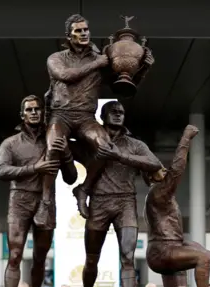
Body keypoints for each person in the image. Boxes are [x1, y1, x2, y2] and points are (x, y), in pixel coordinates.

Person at [36, 13, 153, 228]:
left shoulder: (100, 58)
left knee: (106, 146)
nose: (83, 34)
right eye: (78, 31)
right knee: (53, 146)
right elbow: (65, 76)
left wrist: (143, 68)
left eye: (86, 30)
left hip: (85, 118)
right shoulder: (57, 58)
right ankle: (45, 201)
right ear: (69, 36)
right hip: (60, 115)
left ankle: (84, 190)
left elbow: (124, 88)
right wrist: (98, 63)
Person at [78, 100, 162, 287]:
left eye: (121, 112)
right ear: (103, 116)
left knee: (127, 256)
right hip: (99, 202)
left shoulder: (134, 144)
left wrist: (120, 156)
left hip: (126, 202)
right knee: (91, 257)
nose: (118, 115)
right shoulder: (92, 140)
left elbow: (154, 164)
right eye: (113, 112)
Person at [0, 94, 77, 287]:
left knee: (41, 255)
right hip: (19, 200)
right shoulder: (11, 143)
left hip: (46, 200)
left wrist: (66, 152)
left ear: (44, 113)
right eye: (29, 109)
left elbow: (71, 178)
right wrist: (34, 168)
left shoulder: (54, 141)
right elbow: (2, 171)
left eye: (37, 109)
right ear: (22, 114)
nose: (33, 112)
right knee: (15, 254)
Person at [144, 125, 210, 287]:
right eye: (160, 170)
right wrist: (186, 139)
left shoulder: (160, 195)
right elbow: (177, 170)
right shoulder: (159, 192)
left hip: (167, 249)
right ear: (151, 177)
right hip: (163, 251)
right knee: (204, 256)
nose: (165, 171)